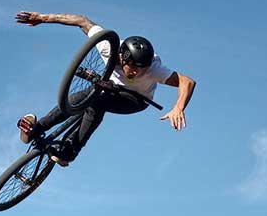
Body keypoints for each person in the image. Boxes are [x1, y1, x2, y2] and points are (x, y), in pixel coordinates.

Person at [13, 10, 196, 166]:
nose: (136, 72)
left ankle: (70, 151)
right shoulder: (108, 47)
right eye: (133, 67)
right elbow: (82, 21)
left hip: (136, 100)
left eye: (142, 69)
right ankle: (36, 129)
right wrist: (43, 18)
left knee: (98, 102)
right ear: (123, 57)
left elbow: (187, 81)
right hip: (109, 87)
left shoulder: (154, 69)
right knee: (84, 96)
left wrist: (178, 107)